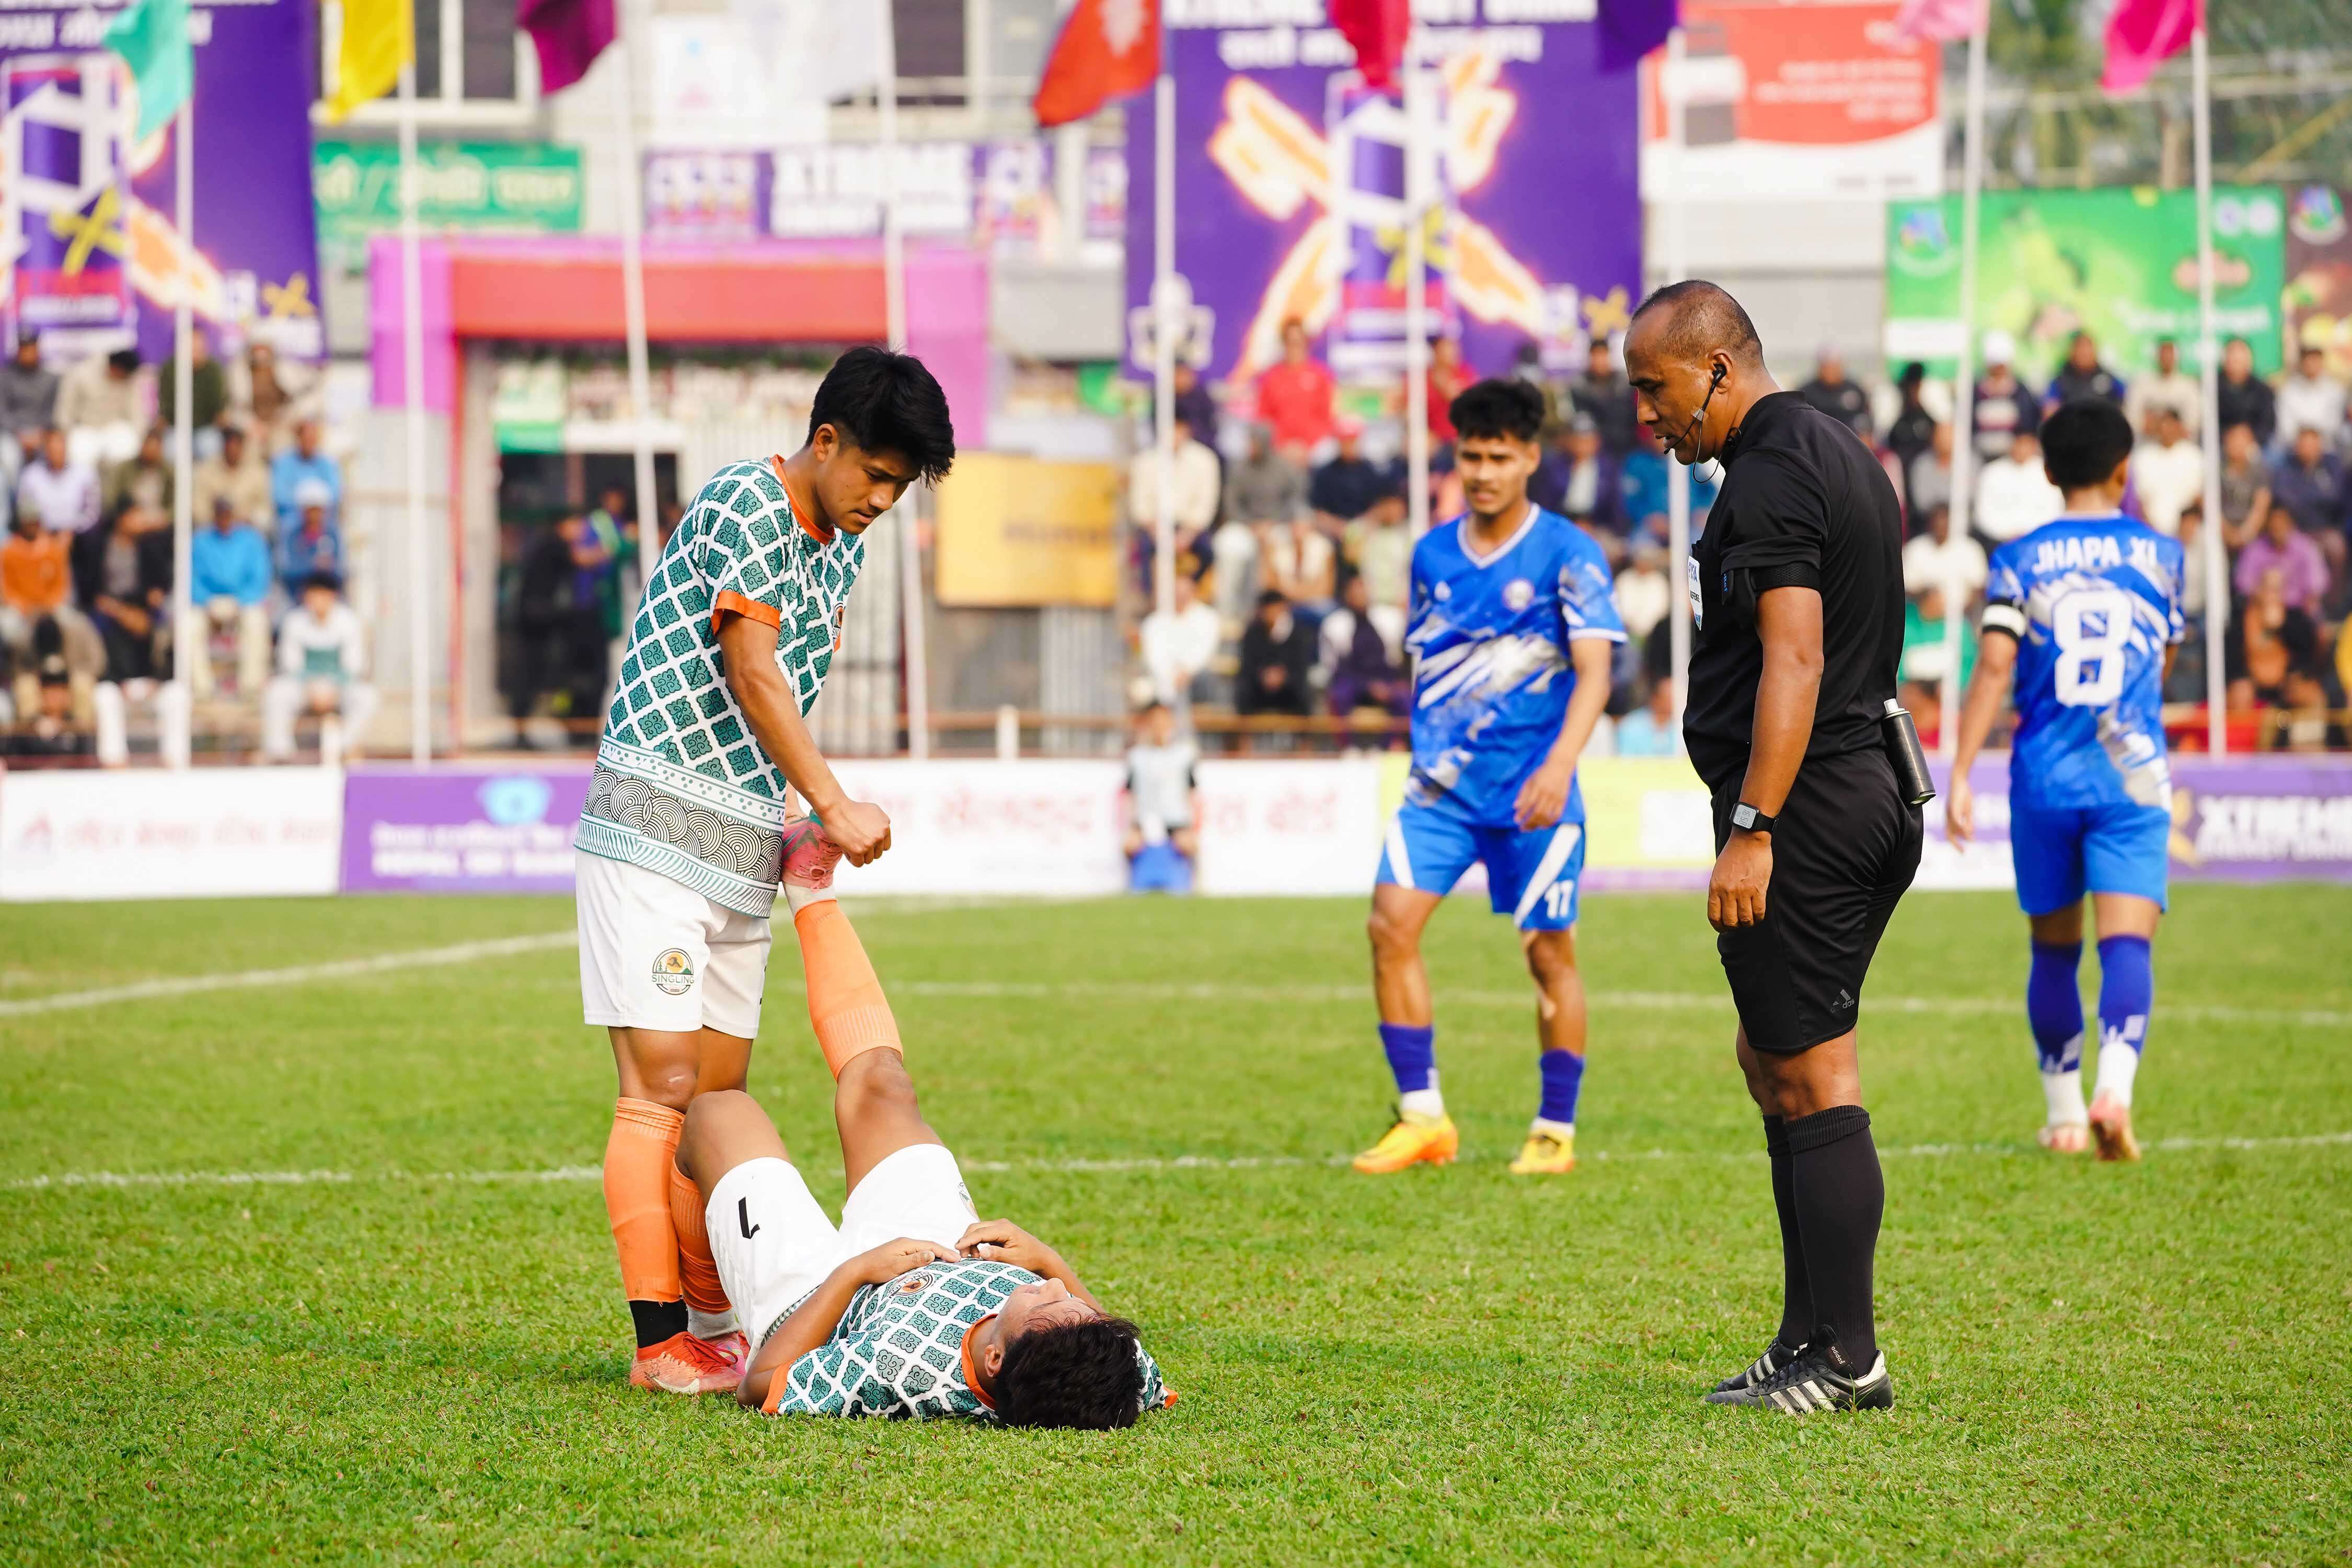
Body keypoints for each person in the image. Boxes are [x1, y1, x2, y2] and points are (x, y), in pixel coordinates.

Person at [572, 347, 948, 1395]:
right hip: (654, 832)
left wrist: (788, 819)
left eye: (900, 486)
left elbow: (780, 699)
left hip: (739, 847)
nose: (883, 500)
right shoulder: (749, 499)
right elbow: (752, 672)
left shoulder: (840, 550)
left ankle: (713, 1329)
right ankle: (659, 1345)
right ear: (825, 441)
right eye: (875, 474)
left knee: (717, 1103)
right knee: (662, 1085)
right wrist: (834, 802)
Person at [1626, 279, 1917, 1415]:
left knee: (1814, 1071)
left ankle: (1849, 1361)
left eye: (1654, 388)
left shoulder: (1768, 474)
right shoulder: (1833, 448)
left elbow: (1796, 658)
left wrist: (1753, 829)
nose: (1647, 416)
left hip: (1810, 805)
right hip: (1856, 782)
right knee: (1771, 1060)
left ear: (1715, 368)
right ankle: (1807, 1339)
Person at [668, 884, 1169, 1424]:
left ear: (995, 1360)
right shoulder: (1115, 1368)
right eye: (1070, 1298)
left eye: (1047, 1301)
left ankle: (711, 1329)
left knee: (718, 1113)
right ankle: (813, 888)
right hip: (941, 1249)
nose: (1052, 1286)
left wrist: (855, 1273)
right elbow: (1123, 1355)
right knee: (884, 1087)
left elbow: (759, 1387)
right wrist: (1046, 1257)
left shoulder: (901, 1370)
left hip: (825, 1303)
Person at [1355, 377, 1624, 1180]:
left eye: (1500, 458)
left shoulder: (1569, 553)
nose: (1482, 473)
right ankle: (1423, 1117)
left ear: (1531, 459)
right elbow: (1430, 663)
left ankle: (1554, 1129)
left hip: (1534, 791)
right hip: (1441, 792)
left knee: (1549, 955)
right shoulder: (1432, 555)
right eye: (1472, 457)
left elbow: (1596, 672)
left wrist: (1560, 765)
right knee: (1389, 927)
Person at [1947, 399, 2185, 1163]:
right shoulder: (2163, 556)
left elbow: (1994, 666)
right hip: (2132, 779)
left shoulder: (2018, 560)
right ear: (2124, 470)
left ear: (2048, 473)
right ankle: (2114, 1089)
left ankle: (2065, 1118)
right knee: (2127, 945)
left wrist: (1960, 771)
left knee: (2053, 952)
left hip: (2045, 778)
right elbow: (2162, 661)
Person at [262, 572, 379, 760]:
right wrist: (312, 688)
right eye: (313, 594)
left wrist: (332, 688)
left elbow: (354, 666)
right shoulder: (294, 621)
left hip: (339, 690)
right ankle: (280, 752)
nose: (318, 601)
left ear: (333, 596)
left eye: (322, 595)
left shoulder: (348, 621)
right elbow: (290, 665)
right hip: (304, 689)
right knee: (276, 693)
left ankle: (343, 747)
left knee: (368, 697)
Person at [184, 494, 273, 696]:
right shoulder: (200, 540)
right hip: (208, 602)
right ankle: (202, 689)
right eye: (220, 513)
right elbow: (191, 578)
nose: (224, 518)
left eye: (227, 513)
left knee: (256, 621)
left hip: (243, 602)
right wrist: (207, 602)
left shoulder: (251, 540)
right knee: (188, 625)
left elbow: (259, 579)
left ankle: (250, 687)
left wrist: (241, 601)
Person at [1126, 414, 1220, 576]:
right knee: (1143, 552)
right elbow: (1140, 504)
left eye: (1178, 429)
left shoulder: (1205, 459)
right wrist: (1159, 534)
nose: (1174, 435)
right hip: (1155, 530)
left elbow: (1206, 504)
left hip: (1192, 530)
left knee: (1208, 553)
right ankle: (1152, 592)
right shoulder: (1145, 461)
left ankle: (1190, 589)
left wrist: (1187, 536)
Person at [1122, 700, 1199, 869]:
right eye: (1154, 721)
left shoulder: (1183, 755)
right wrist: (1131, 824)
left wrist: (1193, 827)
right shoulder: (1137, 756)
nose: (1159, 726)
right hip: (1145, 821)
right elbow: (1129, 794)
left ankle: (1193, 882)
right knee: (1129, 846)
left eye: (1163, 720)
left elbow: (1192, 793)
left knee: (1190, 846)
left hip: (1176, 821)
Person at [2267, 425, 2349, 582]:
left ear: (2320, 446)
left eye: (2312, 444)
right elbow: (2286, 500)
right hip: (2296, 530)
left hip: (2327, 529)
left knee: (2337, 548)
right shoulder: (2286, 468)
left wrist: (2309, 496)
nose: (2307, 449)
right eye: (2304, 444)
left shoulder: (2332, 465)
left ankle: (2335, 597)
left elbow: (2338, 497)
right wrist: (2318, 497)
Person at [1530, 412, 1627, 543]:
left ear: (1597, 441)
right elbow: (1544, 504)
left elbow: (1615, 507)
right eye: (1578, 439)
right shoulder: (1552, 467)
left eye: (1588, 440)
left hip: (1597, 526)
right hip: (1560, 524)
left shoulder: (1608, 469)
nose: (1583, 445)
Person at [1321, 571, 1406, 718]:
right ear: (1347, 595)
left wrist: (1389, 685)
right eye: (1355, 592)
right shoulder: (1335, 624)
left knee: (1405, 698)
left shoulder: (1389, 619)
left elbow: (1399, 659)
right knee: (1339, 695)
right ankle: (1343, 735)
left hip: (1385, 678)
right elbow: (1332, 664)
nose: (1360, 596)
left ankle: (1401, 734)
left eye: (1363, 591)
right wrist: (1367, 686)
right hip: (1353, 679)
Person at [1137, 569, 1221, 707]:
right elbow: (1154, 655)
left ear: (1194, 592)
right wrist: (1169, 675)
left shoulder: (1208, 618)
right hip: (1163, 680)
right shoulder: (1155, 621)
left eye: (1185, 593)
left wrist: (1187, 671)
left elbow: (1203, 652)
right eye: (1177, 593)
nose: (1181, 597)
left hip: (1196, 680)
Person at [2232, 501, 2331, 618]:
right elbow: (2243, 583)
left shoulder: (2306, 548)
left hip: (2298, 610)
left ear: (2290, 524)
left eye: (2282, 524)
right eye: (2274, 525)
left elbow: (2317, 584)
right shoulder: (2255, 549)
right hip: (2263, 609)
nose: (2278, 528)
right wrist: (2265, 596)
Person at [1255, 318, 1336, 458]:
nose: (1294, 347)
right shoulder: (1271, 378)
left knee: (1328, 452)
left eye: (1298, 342)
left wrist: (1308, 446)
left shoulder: (1321, 376)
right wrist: (1283, 446)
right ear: (1284, 343)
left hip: (1314, 446)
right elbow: (1264, 420)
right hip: (1279, 447)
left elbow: (1327, 417)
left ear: (1306, 343)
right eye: (1290, 342)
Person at [1975, 430, 2065, 545]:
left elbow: (2055, 510)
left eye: (2026, 444)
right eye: (2019, 443)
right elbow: (1984, 514)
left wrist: (2029, 534)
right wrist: (2009, 534)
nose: (2022, 449)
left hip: (2040, 541)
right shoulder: (1992, 472)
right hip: (1999, 542)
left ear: (2035, 446)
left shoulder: (2048, 472)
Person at [1235, 588, 1313, 717]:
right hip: (1260, 689)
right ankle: (1244, 729)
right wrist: (1264, 676)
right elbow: (1248, 665)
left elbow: (1301, 666)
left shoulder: (1299, 634)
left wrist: (1283, 677)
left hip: (1289, 690)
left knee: (1303, 691)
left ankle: (1304, 730)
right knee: (1244, 690)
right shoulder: (1253, 633)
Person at [2128, 408, 2204, 537]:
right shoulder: (2143, 457)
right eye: (2163, 424)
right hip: (2150, 530)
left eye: (2171, 425)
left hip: (2188, 531)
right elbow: (2139, 499)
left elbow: (2198, 498)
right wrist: (2150, 529)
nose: (2166, 430)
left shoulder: (2194, 456)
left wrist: (2186, 528)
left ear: (2179, 426)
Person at [1969, 331, 2041, 464]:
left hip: (2013, 462)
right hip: (1979, 459)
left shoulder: (2021, 392)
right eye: (1995, 364)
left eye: (2001, 365)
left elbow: (2029, 426)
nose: (1999, 369)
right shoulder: (1975, 392)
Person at [193, 425, 275, 537]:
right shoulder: (206, 471)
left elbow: (265, 509)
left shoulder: (258, 472)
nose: (233, 449)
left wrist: (247, 520)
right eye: (229, 443)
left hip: (248, 534)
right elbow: (199, 509)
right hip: (214, 535)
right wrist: (220, 520)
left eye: (237, 444)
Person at [15, 426, 98, 534]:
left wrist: (71, 530)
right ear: (45, 449)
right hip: (41, 533)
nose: (56, 452)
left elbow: (92, 513)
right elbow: (25, 512)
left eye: (59, 446)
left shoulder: (84, 473)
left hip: (77, 533)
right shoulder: (31, 475)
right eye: (52, 448)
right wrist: (42, 535)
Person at [1899, 503, 1986, 604]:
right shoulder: (1915, 549)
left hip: (1963, 611)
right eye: (1937, 521)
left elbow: (1979, 587)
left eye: (1944, 521)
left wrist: (1961, 608)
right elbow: (1906, 588)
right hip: (1921, 610)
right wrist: (1927, 596)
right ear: (1929, 523)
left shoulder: (1970, 549)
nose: (1940, 526)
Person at [1308, 420, 1389, 526]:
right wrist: (1338, 527)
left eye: (1352, 441)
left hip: (1366, 527)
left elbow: (1379, 504)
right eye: (1344, 442)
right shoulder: (1324, 474)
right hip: (1332, 528)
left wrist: (1363, 525)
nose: (1348, 446)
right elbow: (1319, 510)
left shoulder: (1370, 471)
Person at [1884, 363, 1939, 518]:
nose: (1915, 390)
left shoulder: (1927, 415)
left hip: (1924, 479)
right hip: (1901, 477)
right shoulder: (1895, 411)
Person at [270, 419, 342, 536]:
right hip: (293, 517)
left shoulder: (328, 463)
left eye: (312, 438)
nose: (309, 442)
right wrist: (305, 511)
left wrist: (315, 510)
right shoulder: (283, 462)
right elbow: (280, 496)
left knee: (334, 530)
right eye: (306, 438)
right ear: (298, 438)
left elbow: (335, 494)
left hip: (322, 517)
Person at [1570, 338, 1639, 457]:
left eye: (1603, 355)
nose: (1599, 361)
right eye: (1596, 356)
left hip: (1629, 443)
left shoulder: (1625, 384)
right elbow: (1583, 419)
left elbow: (1632, 415)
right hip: (1597, 447)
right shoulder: (1580, 387)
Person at [278, 482, 344, 602]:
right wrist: (313, 566)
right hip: (298, 598)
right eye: (311, 510)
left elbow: (342, 570)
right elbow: (286, 570)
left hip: (329, 599)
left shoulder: (332, 534)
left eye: (318, 510)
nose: (314, 515)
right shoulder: (292, 536)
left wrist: (330, 567)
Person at [2124, 338, 2199, 439]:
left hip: (2181, 443)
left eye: (2170, 354)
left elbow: (2193, 422)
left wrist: (2171, 430)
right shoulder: (2142, 384)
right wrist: (2155, 427)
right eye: (2163, 354)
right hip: (2148, 442)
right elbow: (2132, 417)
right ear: (2157, 357)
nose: (2167, 358)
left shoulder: (2189, 386)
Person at [2275, 343, 2345, 447]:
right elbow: (2286, 427)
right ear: (2302, 363)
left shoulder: (2335, 391)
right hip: (2295, 448)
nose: (2312, 364)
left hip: (2326, 447)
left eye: (2315, 360)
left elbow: (2334, 426)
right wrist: (2304, 441)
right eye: (2308, 360)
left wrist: (2314, 442)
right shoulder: (2288, 391)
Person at [1796, 346, 1873, 441]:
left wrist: (1866, 436)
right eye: (1826, 367)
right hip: (1817, 441)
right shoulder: (1806, 392)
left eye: (1834, 367)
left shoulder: (1855, 390)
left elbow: (1866, 418)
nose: (1830, 371)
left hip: (1849, 441)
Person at [2217, 420, 2273, 548]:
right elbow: (2209, 504)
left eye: (2242, 440)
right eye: (2233, 440)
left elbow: (2262, 505)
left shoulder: (2259, 470)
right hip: (2220, 531)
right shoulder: (2217, 470)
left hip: (2251, 533)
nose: (2237, 445)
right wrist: (2227, 533)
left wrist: (2245, 535)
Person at [2215, 337, 2275, 450]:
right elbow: (2210, 423)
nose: (2236, 363)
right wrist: (2231, 438)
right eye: (2233, 358)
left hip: (2255, 443)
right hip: (2222, 444)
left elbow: (2267, 424)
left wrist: (2248, 438)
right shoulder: (2213, 389)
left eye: (2240, 359)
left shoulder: (2263, 390)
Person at [2045, 330, 2124, 410]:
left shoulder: (2108, 378)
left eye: (2088, 348)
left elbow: (2126, 399)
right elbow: (2051, 407)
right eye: (2081, 348)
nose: (2085, 353)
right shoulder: (2060, 382)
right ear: (2072, 352)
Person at [0, 336, 58, 443]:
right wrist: (19, 433)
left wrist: (40, 433)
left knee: (56, 445)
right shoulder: (5, 379)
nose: (28, 354)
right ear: (19, 352)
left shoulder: (50, 379)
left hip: (42, 432)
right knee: (7, 450)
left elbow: (52, 412)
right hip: (12, 432)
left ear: (38, 351)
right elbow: (3, 412)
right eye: (25, 350)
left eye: (32, 350)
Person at [1612, 673, 1680, 757]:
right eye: (1669, 697)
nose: (1673, 702)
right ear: (1655, 698)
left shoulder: (1681, 725)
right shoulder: (1630, 725)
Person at [1425, 336, 1474, 449]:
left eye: (1453, 349)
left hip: (1459, 436)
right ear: (1436, 352)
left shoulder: (1464, 373)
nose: (1452, 354)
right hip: (1433, 437)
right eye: (1445, 350)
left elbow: (1460, 398)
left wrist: (1443, 385)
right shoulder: (1424, 377)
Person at [1906, 423, 1953, 531]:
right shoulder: (1922, 463)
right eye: (1941, 436)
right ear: (1933, 438)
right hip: (1928, 525)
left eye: (1948, 436)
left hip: (1963, 524)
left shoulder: (1970, 463)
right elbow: (1922, 502)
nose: (1944, 441)